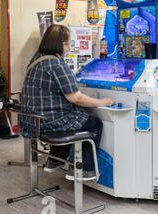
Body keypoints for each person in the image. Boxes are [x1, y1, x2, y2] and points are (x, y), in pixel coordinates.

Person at [20, 24, 114, 181]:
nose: (70, 47)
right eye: (69, 43)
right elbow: (75, 97)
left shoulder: (36, 59)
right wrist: (101, 101)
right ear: (61, 44)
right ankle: (86, 169)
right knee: (94, 123)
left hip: (31, 121)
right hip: (48, 122)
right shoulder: (56, 64)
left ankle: (55, 159)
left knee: (74, 116)